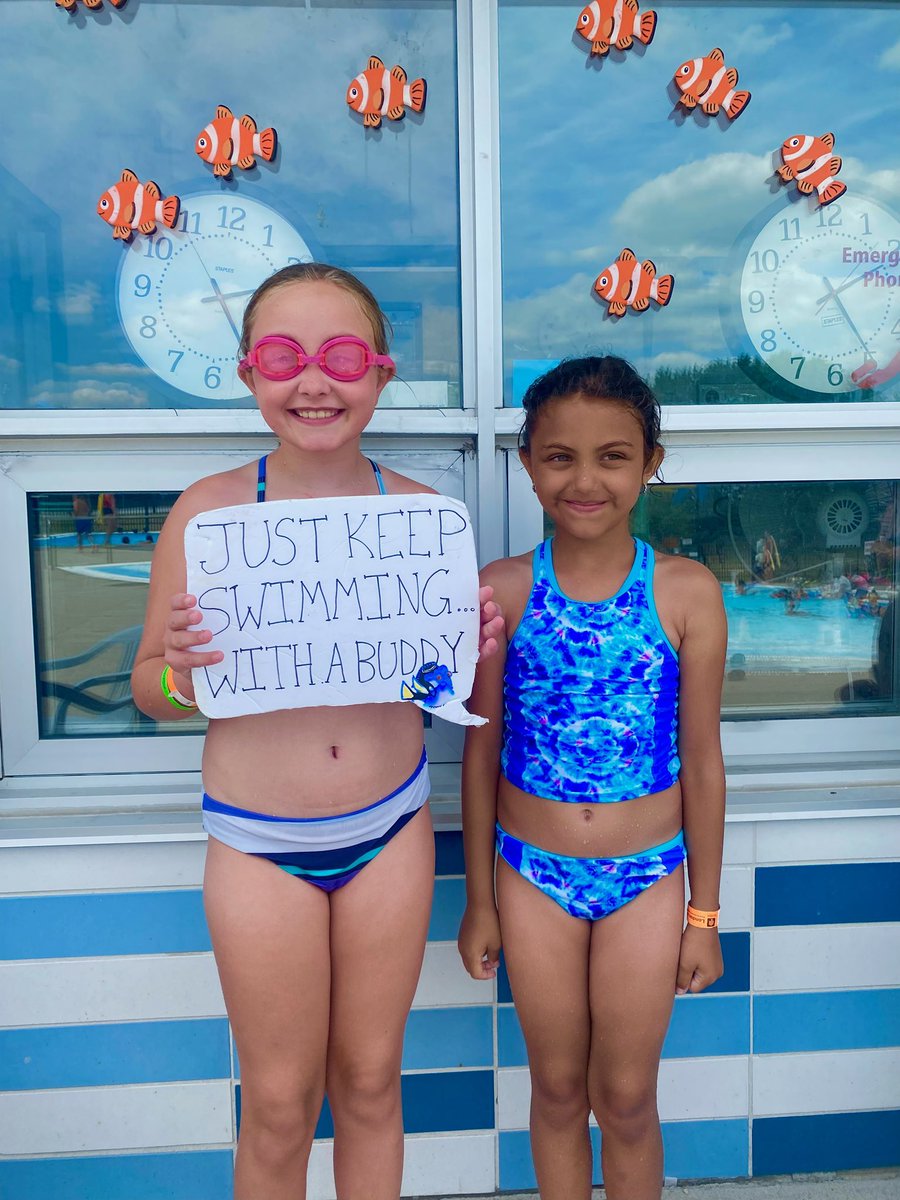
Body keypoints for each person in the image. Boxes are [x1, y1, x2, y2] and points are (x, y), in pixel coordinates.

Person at [131, 263, 503, 1200]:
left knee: (373, 1085)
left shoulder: (423, 519)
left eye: (340, 356)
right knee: (280, 1103)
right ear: (251, 374)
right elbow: (150, 691)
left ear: (379, 373)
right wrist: (182, 668)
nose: (313, 382)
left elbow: (444, 693)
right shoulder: (207, 514)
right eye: (283, 357)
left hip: (389, 832)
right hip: (259, 846)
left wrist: (469, 651)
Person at [458, 356, 727, 1200]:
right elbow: (478, 749)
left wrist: (704, 916)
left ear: (649, 463)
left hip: (648, 878)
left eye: (613, 456)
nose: (585, 478)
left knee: (626, 1097)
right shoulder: (501, 590)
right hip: (531, 876)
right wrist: (478, 899)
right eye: (559, 456)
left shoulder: (685, 593)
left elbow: (705, 761)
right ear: (529, 463)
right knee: (558, 1091)